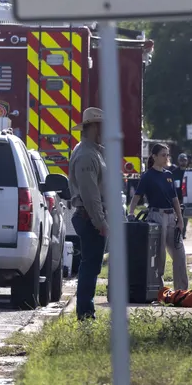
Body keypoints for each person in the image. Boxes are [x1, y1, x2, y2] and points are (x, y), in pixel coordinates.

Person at [128, 143, 189, 291]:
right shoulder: (147, 176)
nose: (166, 157)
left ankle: (181, 291)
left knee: (180, 254)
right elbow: (137, 197)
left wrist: (180, 219)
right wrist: (131, 212)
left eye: (167, 155)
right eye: (163, 154)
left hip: (171, 217)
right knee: (159, 256)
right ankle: (159, 291)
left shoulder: (168, 175)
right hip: (156, 216)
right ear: (154, 157)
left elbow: (175, 199)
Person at [68, 107, 109, 321]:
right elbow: (90, 194)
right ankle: (85, 313)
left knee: (91, 266)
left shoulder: (92, 151)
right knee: (90, 266)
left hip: (89, 216)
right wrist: (100, 221)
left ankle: (86, 310)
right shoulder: (86, 154)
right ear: (92, 127)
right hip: (89, 216)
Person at [172, 153, 190, 239]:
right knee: (177, 215)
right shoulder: (174, 173)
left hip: (186, 197)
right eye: (181, 160)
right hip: (177, 197)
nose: (183, 162)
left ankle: (183, 233)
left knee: (185, 216)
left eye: (185, 160)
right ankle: (176, 232)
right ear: (179, 161)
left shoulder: (189, 172)